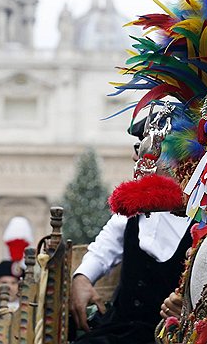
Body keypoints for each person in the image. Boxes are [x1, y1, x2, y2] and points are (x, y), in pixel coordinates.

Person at [69, 110, 192, 344]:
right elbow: (104, 247)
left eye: (147, 150)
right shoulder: (132, 208)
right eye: (139, 149)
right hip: (118, 330)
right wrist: (82, 278)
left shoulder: (204, 217)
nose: (137, 159)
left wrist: (187, 309)